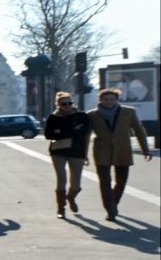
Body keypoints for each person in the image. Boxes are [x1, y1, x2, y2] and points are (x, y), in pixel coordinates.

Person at [86, 88, 152, 222]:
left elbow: (139, 131)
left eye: (111, 99)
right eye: (105, 99)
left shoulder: (128, 112)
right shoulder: (92, 115)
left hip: (123, 149)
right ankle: (110, 210)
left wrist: (146, 150)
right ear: (100, 100)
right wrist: (83, 154)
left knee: (121, 181)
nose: (109, 102)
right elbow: (86, 136)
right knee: (105, 182)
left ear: (117, 100)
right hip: (102, 150)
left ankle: (113, 203)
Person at [43, 91, 90, 218]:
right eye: (64, 104)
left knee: (76, 183)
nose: (67, 106)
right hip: (58, 151)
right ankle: (61, 208)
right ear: (58, 104)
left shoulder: (81, 116)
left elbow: (85, 133)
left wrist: (61, 132)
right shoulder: (53, 117)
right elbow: (48, 134)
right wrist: (72, 131)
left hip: (77, 151)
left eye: (69, 103)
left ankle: (70, 197)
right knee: (61, 178)